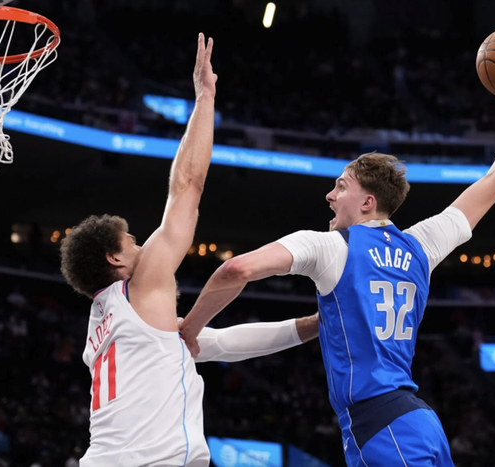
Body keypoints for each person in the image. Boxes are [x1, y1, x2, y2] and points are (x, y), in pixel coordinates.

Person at [180, 45, 495, 466]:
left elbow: (237, 269)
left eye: (340, 186)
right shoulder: (421, 245)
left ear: (367, 202)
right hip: (416, 423)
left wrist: (190, 328)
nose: (329, 195)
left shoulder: (330, 247)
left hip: (382, 428)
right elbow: (494, 181)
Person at [59, 34, 319, 467]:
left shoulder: (109, 326)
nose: (143, 244)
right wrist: (205, 97)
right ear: (114, 259)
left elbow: (227, 343)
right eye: (133, 241)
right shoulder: (139, 290)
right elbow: (187, 187)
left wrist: (320, 322)